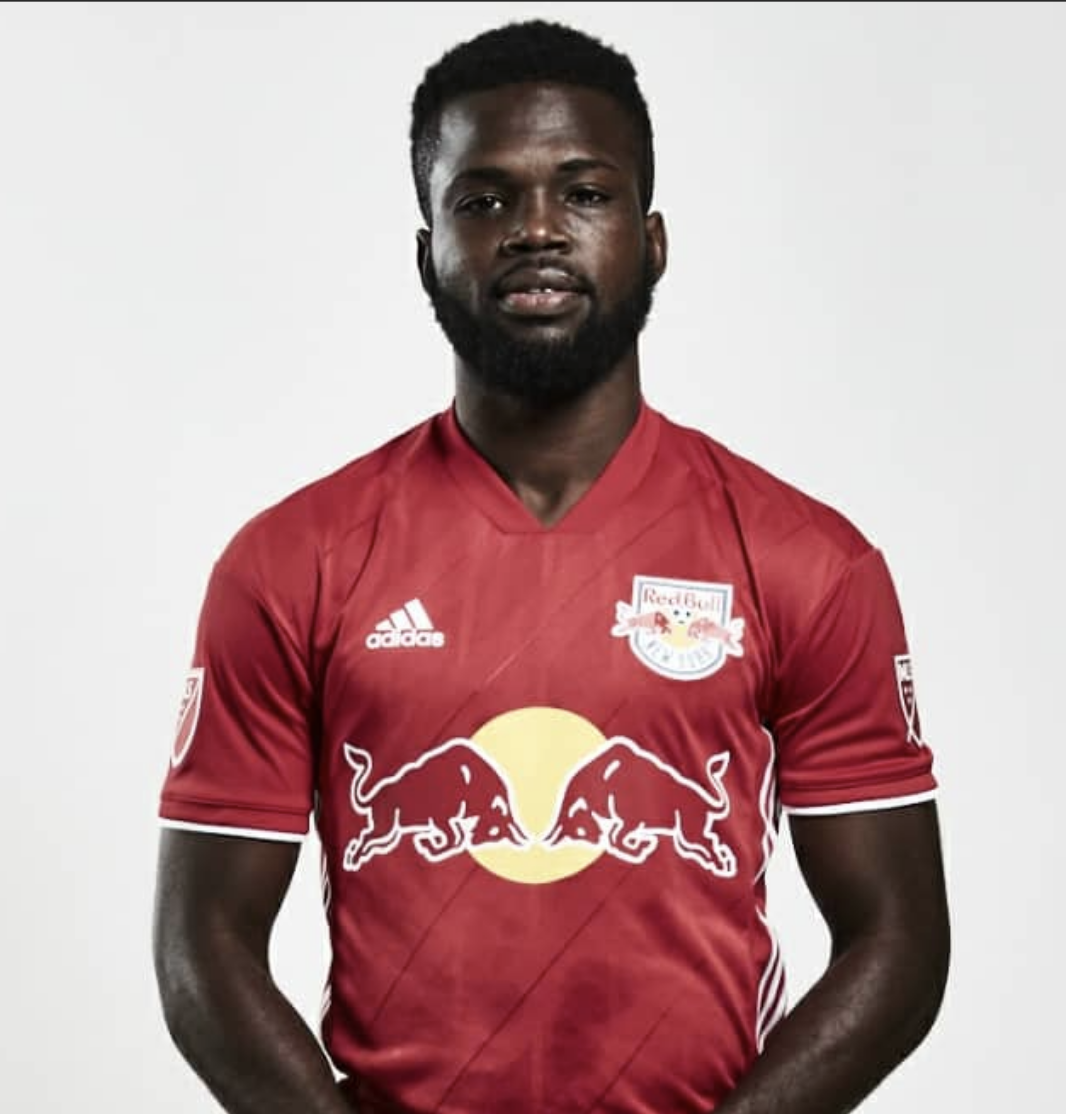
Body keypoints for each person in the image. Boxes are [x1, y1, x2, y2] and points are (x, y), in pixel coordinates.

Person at [153, 19, 949, 1114]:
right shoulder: (293, 562)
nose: (535, 229)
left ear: (652, 240)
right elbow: (202, 945)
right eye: (483, 200)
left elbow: (898, 940)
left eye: (583, 193)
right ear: (426, 250)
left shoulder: (805, 560)